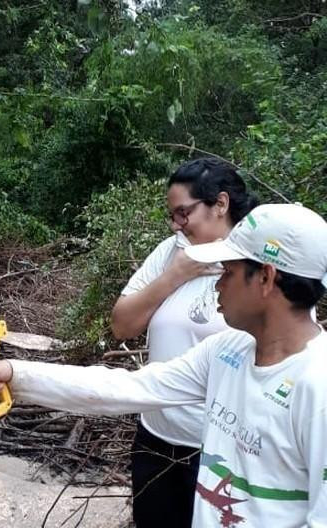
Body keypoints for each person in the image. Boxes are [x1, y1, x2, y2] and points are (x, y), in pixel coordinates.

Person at [0, 203, 327, 527]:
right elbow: (133, 387)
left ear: (265, 278)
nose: (217, 283)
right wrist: (19, 374)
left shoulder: (317, 386)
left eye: (229, 271)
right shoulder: (227, 352)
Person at [109, 158, 258, 527]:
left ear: (220, 204)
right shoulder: (170, 252)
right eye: (171, 216)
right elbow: (122, 325)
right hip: (156, 437)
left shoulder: (256, 261)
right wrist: (173, 276)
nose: (177, 224)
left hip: (222, 452)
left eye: (183, 213)